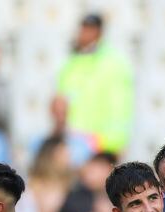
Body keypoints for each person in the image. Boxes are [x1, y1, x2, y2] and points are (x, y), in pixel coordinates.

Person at [54, 13, 133, 155]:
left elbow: (120, 106)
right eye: (84, 28)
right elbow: (61, 100)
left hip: (100, 143)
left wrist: (109, 141)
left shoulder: (114, 62)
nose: (85, 33)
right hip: (73, 138)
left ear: (99, 32)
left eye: (91, 28)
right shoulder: (71, 63)